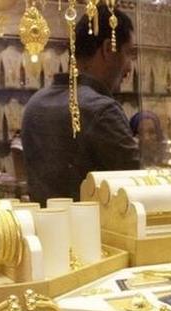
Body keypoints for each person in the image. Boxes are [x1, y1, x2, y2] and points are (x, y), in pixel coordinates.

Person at [21, 8, 139, 203]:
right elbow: (135, 190)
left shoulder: (35, 103)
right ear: (108, 49)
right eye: (128, 54)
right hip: (93, 232)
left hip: (43, 230)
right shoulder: (102, 110)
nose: (129, 67)